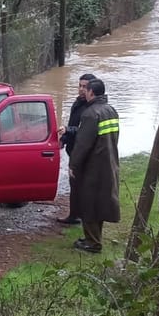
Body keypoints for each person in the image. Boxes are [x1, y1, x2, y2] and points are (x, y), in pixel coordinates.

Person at [68, 77, 120, 254]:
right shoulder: (111, 110)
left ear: (91, 92)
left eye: (86, 89)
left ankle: (92, 243)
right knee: (100, 203)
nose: (84, 92)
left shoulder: (90, 114)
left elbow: (83, 144)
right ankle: (93, 237)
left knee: (88, 203)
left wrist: (73, 165)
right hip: (109, 162)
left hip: (93, 166)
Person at [56, 72, 97, 226]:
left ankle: (79, 216)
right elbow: (73, 123)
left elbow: (85, 130)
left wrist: (68, 130)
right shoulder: (78, 102)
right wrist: (64, 140)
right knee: (75, 184)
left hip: (83, 152)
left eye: (84, 87)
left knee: (80, 184)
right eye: (79, 86)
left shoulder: (92, 108)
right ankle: (75, 214)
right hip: (73, 149)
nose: (81, 89)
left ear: (91, 89)